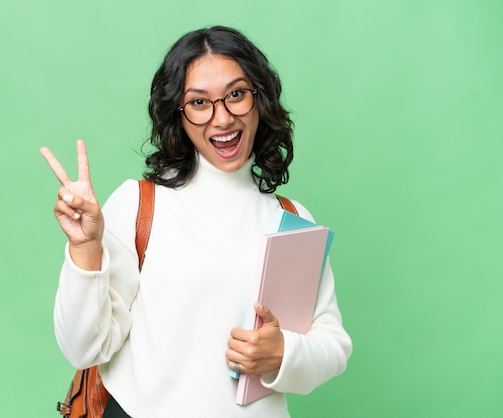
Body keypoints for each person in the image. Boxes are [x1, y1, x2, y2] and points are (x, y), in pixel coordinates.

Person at [40, 26, 352, 418]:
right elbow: (83, 348)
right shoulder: (140, 204)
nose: (222, 118)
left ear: (260, 100)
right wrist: (85, 249)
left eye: (236, 94)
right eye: (199, 102)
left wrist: (282, 354)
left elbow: (333, 345)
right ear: (180, 116)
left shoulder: (292, 218)